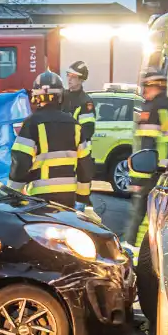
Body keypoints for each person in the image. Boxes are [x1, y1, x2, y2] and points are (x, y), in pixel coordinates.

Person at [8, 71, 94, 210]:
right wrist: (82, 198)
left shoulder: (31, 123)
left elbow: (20, 161)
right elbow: (85, 164)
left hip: (40, 197)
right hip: (68, 198)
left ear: (35, 97)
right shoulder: (74, 125)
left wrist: (13, 194)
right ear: (61, 96)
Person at [123, 68, 168, 249]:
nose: (143, 91)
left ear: (154, 86)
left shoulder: (151, 109)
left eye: (145, 87)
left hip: (153, 171)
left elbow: (146, 146)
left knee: (141, 212)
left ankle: (135, 250)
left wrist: (137, 179)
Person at [60, 61, 98, 218]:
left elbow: (87, 131)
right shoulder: (62, 96)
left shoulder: (85, 102)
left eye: (73, 77)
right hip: (63, 152)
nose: (69, 79)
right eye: (68, 75)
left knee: (80, 194)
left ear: (81, 80)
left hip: (78, 155)